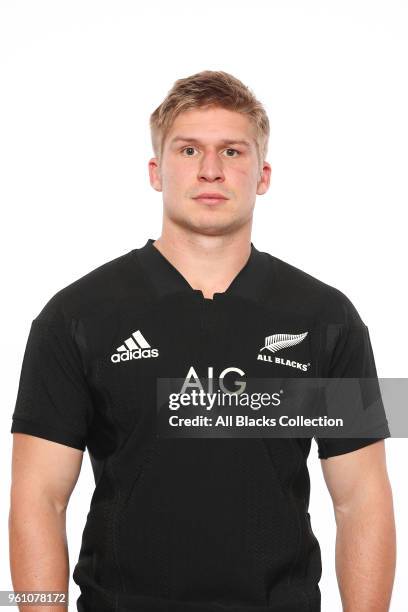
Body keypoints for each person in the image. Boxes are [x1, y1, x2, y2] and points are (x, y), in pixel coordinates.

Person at [9, 70, 396, 612]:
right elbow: (38, 501)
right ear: (156, 171)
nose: (211, 170)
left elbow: (361, 501)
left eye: (233, 152)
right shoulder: (76, 316)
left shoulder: (327, 318)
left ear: (262, 175)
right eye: (189, 149)